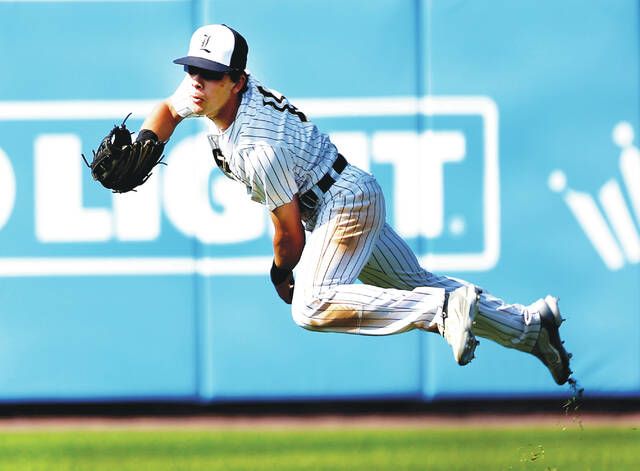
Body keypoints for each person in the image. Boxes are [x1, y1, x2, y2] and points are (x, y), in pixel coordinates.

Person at [138, 24, 572, 384]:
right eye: (193, 68)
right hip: (347, 191)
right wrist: (145, 140)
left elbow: (289, 235)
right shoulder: (205, 93)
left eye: (211, 73)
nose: (197, 80)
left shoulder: (256, 147)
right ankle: (532, 328)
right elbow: (168, 110)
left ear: (238, 82)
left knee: (311, 305)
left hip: (340, 204)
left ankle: (439, 311)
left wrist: (279, 272)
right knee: (415, 280)